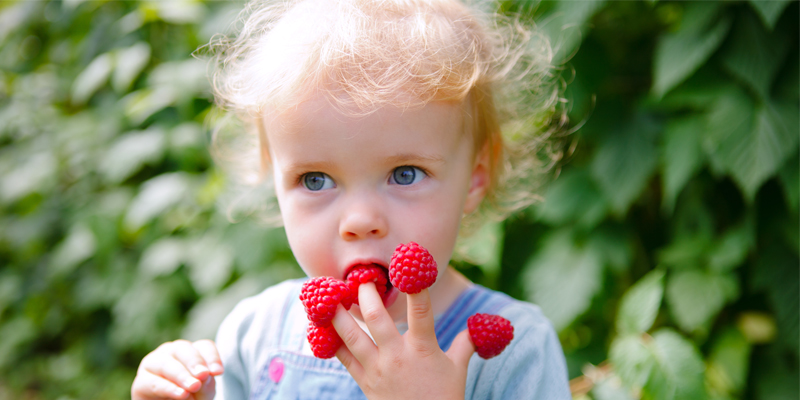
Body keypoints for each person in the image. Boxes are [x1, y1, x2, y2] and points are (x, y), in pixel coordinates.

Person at [131, 0, 571, 398]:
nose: (360, 220)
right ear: (275, 179)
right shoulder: (255, 334)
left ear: (476, 177)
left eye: (405, 174)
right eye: (316, 179)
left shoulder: (513, 353)